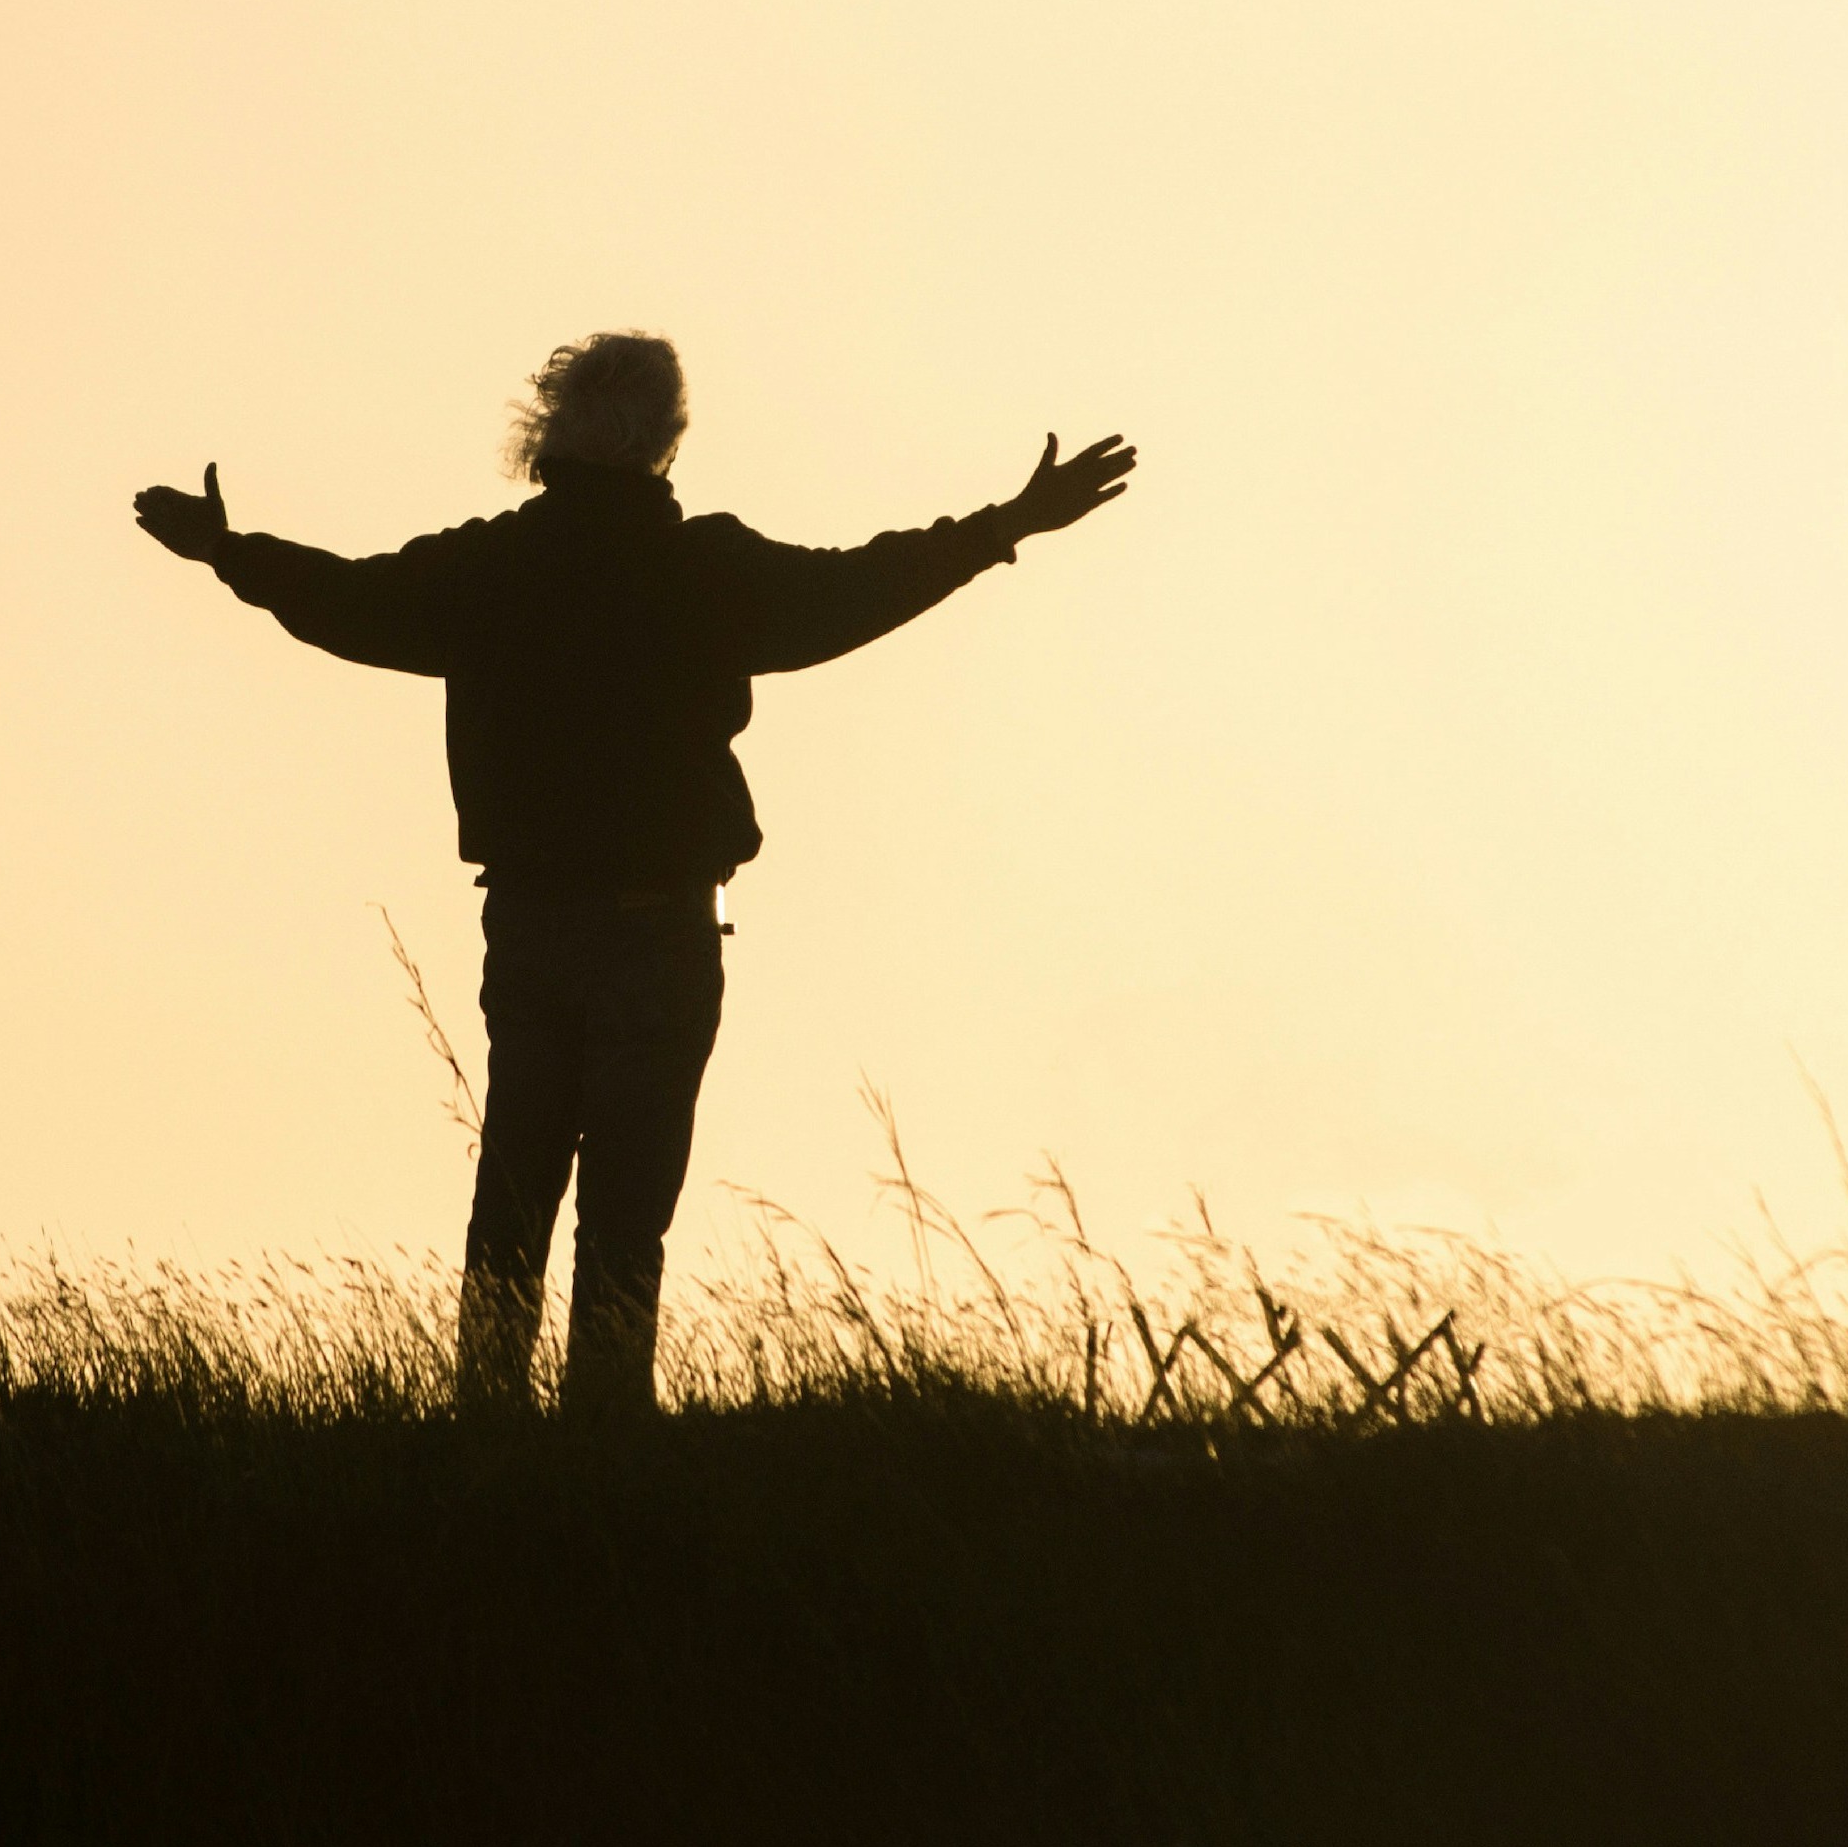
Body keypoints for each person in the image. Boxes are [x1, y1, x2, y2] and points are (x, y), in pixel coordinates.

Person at [133, 333, 1135, 1412]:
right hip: (661, 933)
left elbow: (347, 600)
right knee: (626, 1214)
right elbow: (861, 587)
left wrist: (227, 552)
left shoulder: (491, 569)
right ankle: (605, 1439)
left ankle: (489, 1428)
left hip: (531, 928)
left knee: (512, 1194)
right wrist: (1003, 528)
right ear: (668, 439)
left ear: (549, 433)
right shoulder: (705, 570)